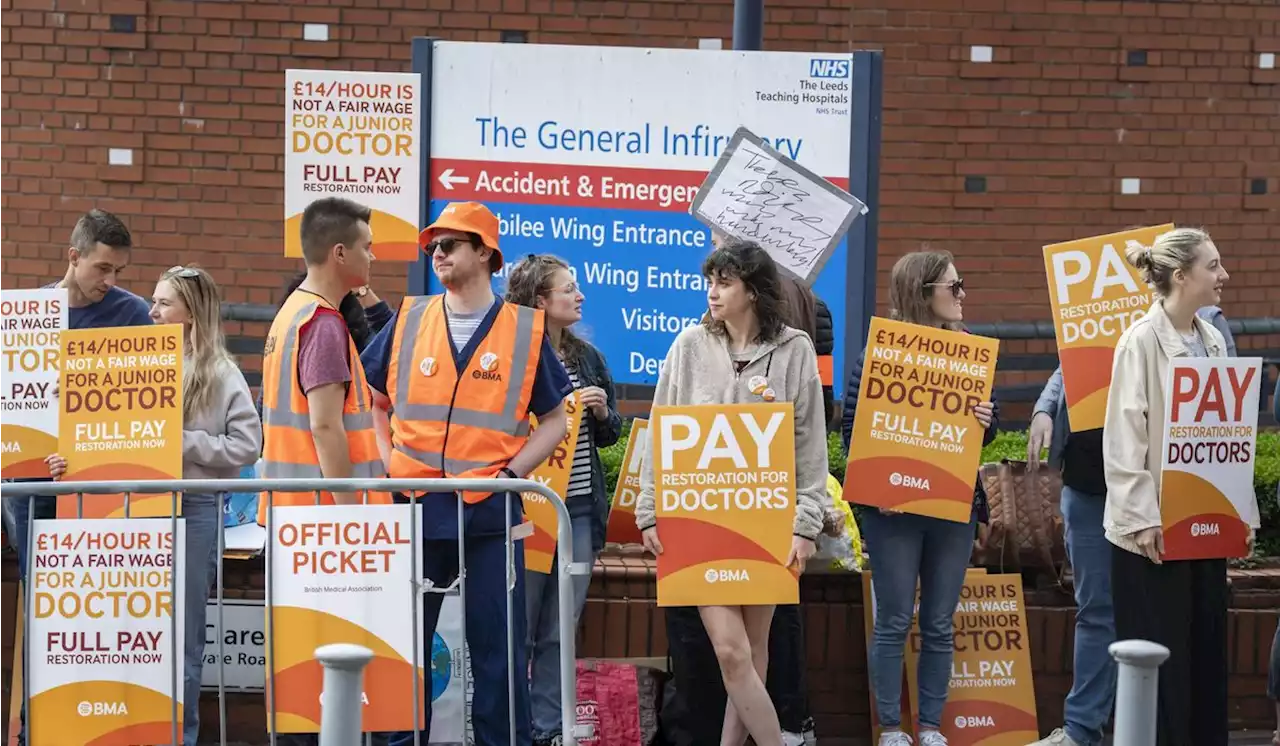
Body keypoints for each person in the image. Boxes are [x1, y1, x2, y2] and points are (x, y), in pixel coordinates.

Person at [360, 201, 572, 746]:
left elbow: (554, 420)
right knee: (402, 649)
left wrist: (511, 473)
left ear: (485, 253)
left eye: (451, 244)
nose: (438, 253)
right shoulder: (409, 319)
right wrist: (388, 460)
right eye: (433, 245)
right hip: (413, 505)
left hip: (489, 512)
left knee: (498, 651)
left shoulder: (525, 331)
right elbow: (371, 402)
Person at [635, 239, 824, 746]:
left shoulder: (795, 349)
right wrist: (649, 511)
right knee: (731, 651)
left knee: (756, 649)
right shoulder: (688, 346)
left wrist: (806, 523)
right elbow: (658, 429)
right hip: (698, 520)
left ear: (754, 291)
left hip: (767, 517)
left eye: (724, 282)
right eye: (710, 281)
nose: (712, 293)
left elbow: (809, 443)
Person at [1026, 306, 1238, 746]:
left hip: (1154, 492)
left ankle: (1146, 729)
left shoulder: (1200, 325)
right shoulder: (1098, 310)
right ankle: (1082, 731)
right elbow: (1069, 365)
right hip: (1088, 486)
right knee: (1096, 610)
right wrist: (1044, 410)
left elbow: (1224, 405)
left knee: (1155, 612)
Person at [840, 250, 997, 746]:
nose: (962, 294)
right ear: (922, 292)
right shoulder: (879, 353)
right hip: (896, 511)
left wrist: (986, 422)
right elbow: (853, 431)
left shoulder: (970, 350)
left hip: (953, 506)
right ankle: (891, 729)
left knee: (938, 622)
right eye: (954, 285)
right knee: (891, 619)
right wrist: (879, 486)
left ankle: (930, 727)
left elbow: (981, 440)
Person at [256, 197, 393, 744]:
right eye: (365, 246)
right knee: (329, 679)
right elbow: (326, 427)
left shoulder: (291, 314)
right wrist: (351, 517)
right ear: (340, 253)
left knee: (301, 679)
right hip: (324, 528)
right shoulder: (324, 323)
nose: (373, 255)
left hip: (294, 518)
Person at [1102, 227, 1244, 746]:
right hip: (1153, 537)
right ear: (1182, 277)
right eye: (1213, 266)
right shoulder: (1139, 341)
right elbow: (1124, 439)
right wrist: (1142, 518)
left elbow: (1226, 438)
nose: (1223, 275)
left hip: (1202, 529)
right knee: (1160, 662)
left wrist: (1236, 515)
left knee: (1205, 653)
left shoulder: (1211, 340)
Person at [504, 254, 621, 746]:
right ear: (540, 302)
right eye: (569, 289)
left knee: (560, 628)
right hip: (527, 509)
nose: (580, 296)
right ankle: (511, 727)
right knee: (519, 627)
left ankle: (549, 730)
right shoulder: (511, 355)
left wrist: (601, 411)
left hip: (576, 512)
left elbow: (612, 433)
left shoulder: (587, 358)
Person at [150, 265, 261, 744]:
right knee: (143, 632)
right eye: (153, 302)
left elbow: (247, 445)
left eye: (163, 304)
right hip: (140, 508)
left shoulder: (220, 371)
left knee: (184, 638)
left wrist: (183, 443)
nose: (151, 311)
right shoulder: (140, 363)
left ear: (191, 314)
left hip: (194, 508)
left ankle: (182, 736)